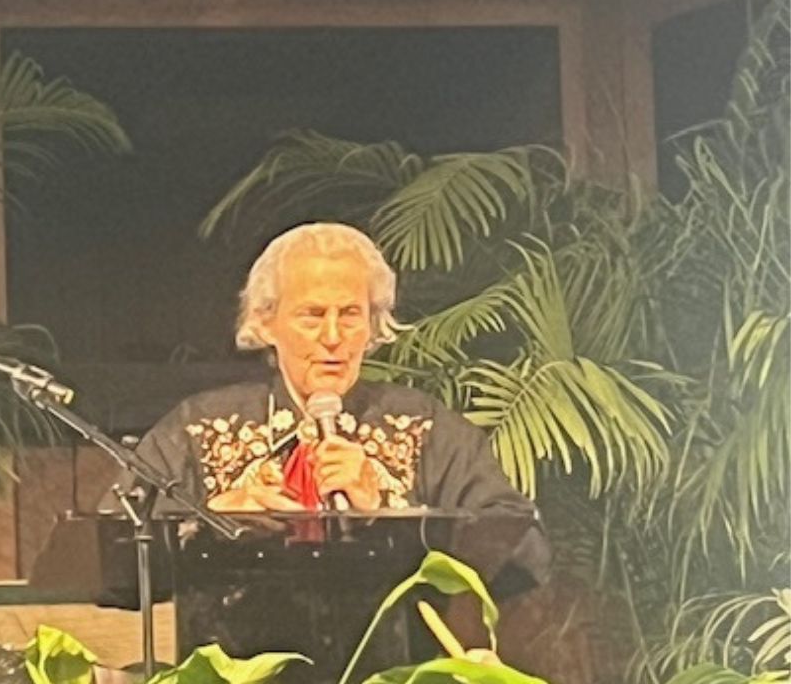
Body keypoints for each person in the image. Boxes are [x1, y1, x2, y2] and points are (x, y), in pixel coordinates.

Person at [102, 222, 548, 676]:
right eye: (312, 315)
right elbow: (112, 570)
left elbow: (525, 552)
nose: (333, 337)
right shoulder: (200, 427)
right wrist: (207, 519)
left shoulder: (424, 427)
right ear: (265, 322)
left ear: (373, 324)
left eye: (351, 314)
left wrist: (391, 509)